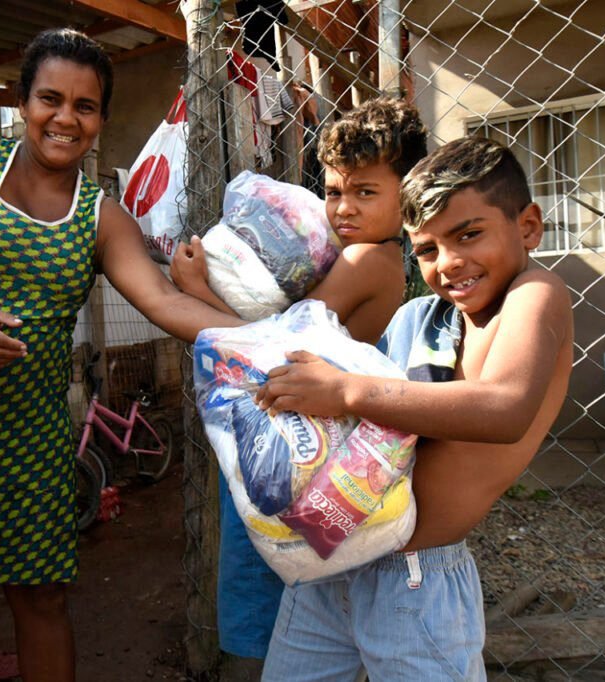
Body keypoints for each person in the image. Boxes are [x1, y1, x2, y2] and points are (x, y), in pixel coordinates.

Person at [0, 28, 246, 682]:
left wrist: (265, 340)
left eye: (85, 106)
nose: (65, 119)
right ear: (23, 103)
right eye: (51, 99)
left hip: (27, 434)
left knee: (40, 594)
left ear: (101, 118)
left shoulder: (100, 217)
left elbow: (162, 303)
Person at [256, 137, 573, 681]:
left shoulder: (535, 295)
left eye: (468, 235)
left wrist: (345, 391)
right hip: (334, 557)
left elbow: (505, 407)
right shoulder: (419, 319)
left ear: (527, 227)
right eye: (426, 249)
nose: (449, 263)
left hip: (415, 580)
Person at [171, 97, 427, 677]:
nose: (342, 208)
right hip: (311, 452)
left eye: (366, 192)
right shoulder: (384, 257)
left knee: (258, 603)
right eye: (335, 191)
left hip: (293, 455)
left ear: (406, 193)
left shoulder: (365, 260)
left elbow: (274, 349)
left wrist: (193, 290)